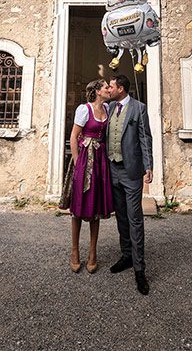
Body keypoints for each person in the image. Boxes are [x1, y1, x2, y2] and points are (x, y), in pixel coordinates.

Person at [105, 73, 152, 295]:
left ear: (121, 88)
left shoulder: (138, 108)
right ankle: (126, 255)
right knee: (121, 217)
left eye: (111, 86)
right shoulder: (109, 108)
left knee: (135, 219)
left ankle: (140, 270)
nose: (109, 89)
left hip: (131, 171)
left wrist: (148, 165)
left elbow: (145, 137)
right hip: (113, 169)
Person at [67, 78, 113, 274]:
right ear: (97, 91)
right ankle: (75, 251)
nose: (109, 89)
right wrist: (78, 165)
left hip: (101, 159)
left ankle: (93, 252)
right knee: (79, 206)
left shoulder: (108, 109)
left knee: (96, 205)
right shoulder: (83, 109)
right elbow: (73, 137)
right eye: (105, 87)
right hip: (85, 158)